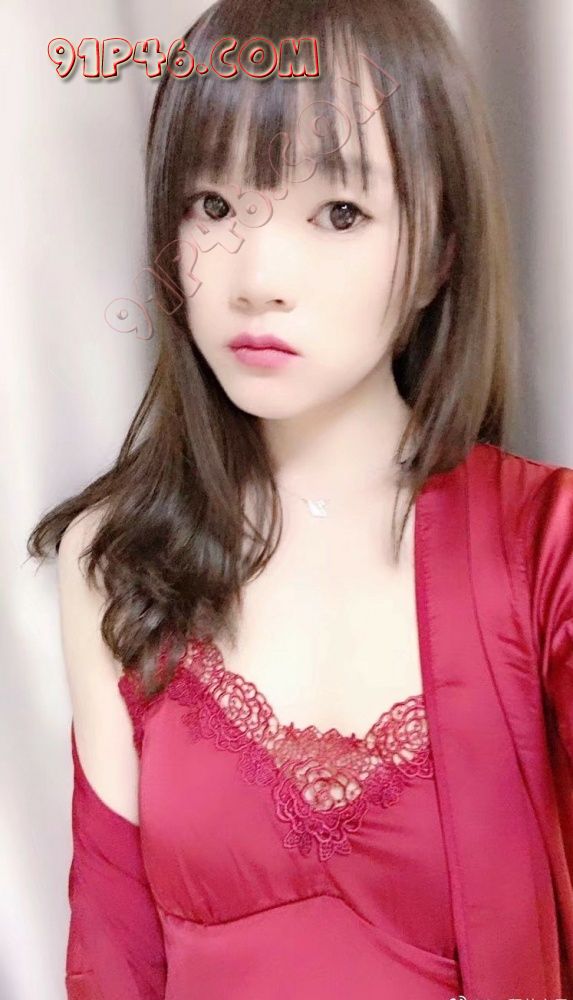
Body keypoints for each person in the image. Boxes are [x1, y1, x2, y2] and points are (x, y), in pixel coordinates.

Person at [26, 0, 573, 997]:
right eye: (213, 205)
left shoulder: (547, 549)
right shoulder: (116, 557)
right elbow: (113, 959)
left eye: (339, 213)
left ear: (439, 252)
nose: (257, 279)